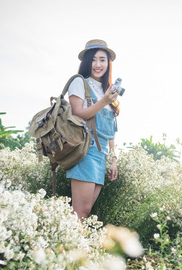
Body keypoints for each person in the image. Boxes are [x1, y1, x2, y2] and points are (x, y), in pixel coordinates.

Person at [66, 39, 120, 219]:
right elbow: (77, 114)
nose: (98, 64)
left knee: (85, 211)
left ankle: (71, 244)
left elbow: (110, 131)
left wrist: (113, 159)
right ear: (86, 62)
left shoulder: (108, 89)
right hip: (85, 149)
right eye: (93, 59)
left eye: (102, 60)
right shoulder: (80, 82)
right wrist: (104, 101)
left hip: (101, 153)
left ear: (108, 63)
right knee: (80, 212)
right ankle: (65, 245)